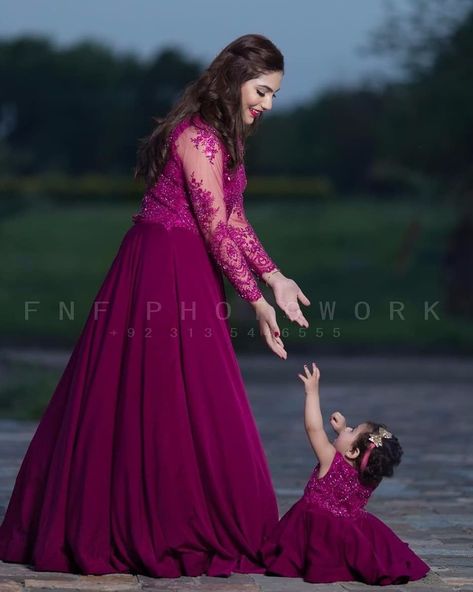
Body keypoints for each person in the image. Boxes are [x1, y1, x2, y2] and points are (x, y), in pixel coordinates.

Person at [0, 34, 311, 577]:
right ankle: (143, 521)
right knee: (157, 391)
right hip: (159, 271)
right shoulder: (198, 137)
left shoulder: (222, 138)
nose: (266, 104)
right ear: (236, 81)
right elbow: (214, 226)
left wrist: (277, 277)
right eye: (262, 91)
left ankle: (177, 510)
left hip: (187, 269)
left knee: (191, 394)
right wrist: (256, 301)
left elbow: (233, 218)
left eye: (274, 96)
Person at [260, 362, 430, 585]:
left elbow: (314, 429)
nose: (347, 429)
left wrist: (312, 392)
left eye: (352, 430)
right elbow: (355, 455)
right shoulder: (371, 473)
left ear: (353, 451)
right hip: (346, 529)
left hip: (314, 527)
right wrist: (342, 432)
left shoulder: (329, 459)